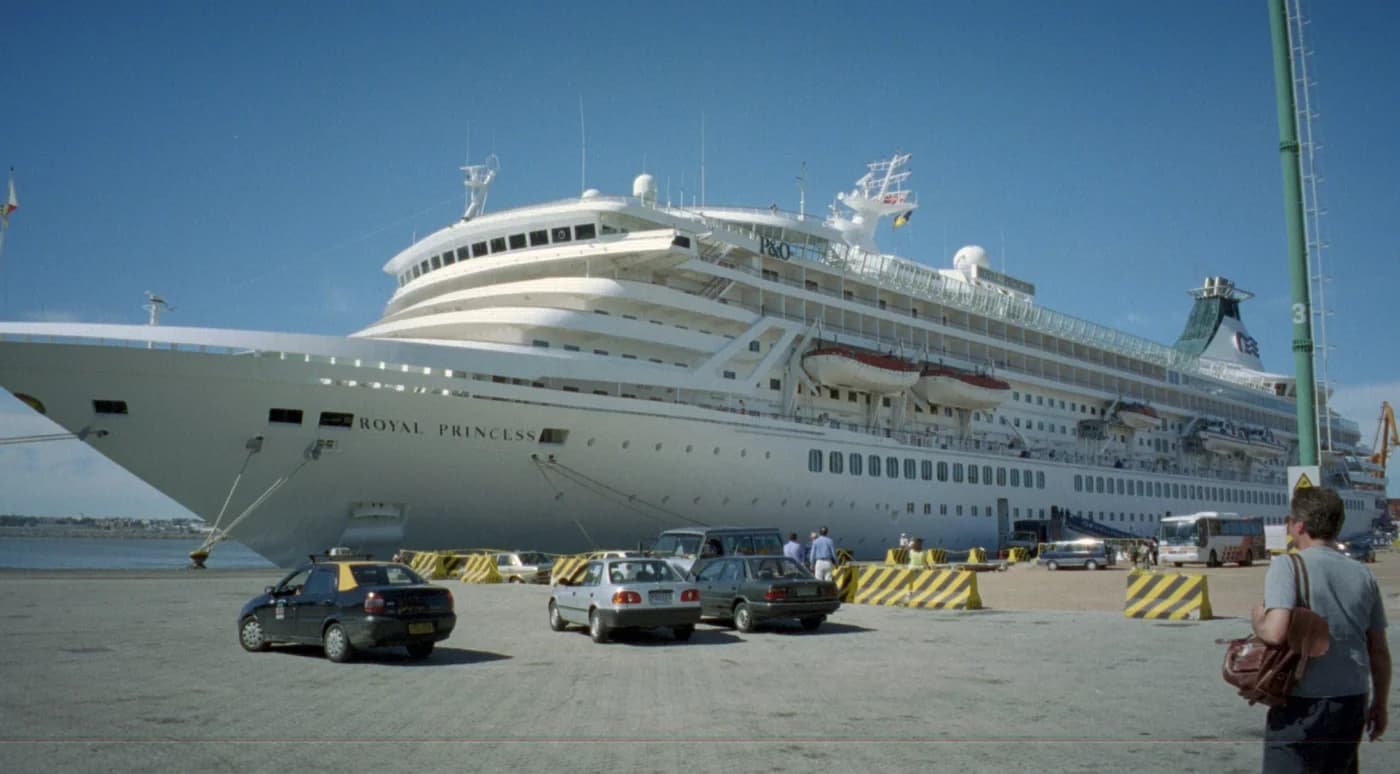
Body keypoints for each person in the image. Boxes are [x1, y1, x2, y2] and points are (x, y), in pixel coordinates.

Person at [1251, 487, 1390, 772]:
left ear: (1299, 525)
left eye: (1289, 520)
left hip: (1302, 700)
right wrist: (1381, 703)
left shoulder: (1288, 566)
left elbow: (1275, 633)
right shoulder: (1363, 573)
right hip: (1351, 699)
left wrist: (1257, 620)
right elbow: (1378, 650)